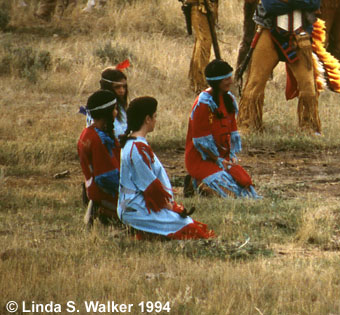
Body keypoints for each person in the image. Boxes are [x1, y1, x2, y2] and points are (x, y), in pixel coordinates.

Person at [237, 0, 323, 133]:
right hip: (270, 33)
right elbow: (270, 6)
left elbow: (317, 1)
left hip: (300, 35)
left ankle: (308, 127)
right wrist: (299, 4)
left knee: (308, 86)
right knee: (255, 83)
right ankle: (248, 125)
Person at [118, 96, 215, 240]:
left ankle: (150, 233)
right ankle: (144, 232)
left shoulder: (132, 143)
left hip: (134, 205)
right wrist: (172, 207)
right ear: (147, 119)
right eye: (155, 116)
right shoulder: (137, 148)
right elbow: (150, 188)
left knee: (183, 222)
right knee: (188, 227)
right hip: (136, 208)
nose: (156, 120)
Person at [185, 60, 259, 199]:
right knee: (231, 196)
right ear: (217, 81)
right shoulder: (203, 104)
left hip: (222, 158)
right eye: (227, 79)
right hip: (202, 159)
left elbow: (230, 132)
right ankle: (197, 182)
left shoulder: (229, 100)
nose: (230, 81)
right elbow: (201, 142)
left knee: (245, 187)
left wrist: (228, 157)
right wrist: (218, 159)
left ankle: (204, 182)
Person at [77, 90, 121, 226]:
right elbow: (106, 177)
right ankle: (106, 212)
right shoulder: (98, 140)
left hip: (94, 191)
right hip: (104, 194)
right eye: (114, 109)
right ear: (106, 113)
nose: (117, 112)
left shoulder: (87, 133)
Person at [98, 64, 130, 137]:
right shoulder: (101, 108)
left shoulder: (120, 106)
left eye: (124, 87)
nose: (122, 91)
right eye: (117, 87)